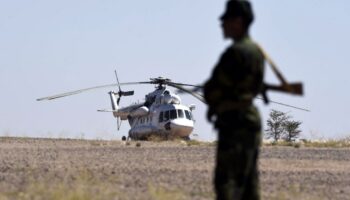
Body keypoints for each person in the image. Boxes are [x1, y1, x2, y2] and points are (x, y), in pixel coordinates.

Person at [203, 1, 264, 199]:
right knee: (248, 185)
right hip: (250, 122)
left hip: (234, 124)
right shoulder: (256, 51)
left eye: (226, 21)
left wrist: (211, 97)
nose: (222, 25)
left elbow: (213, 88)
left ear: (238, 21)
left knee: (227, 183)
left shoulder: (235, 53)